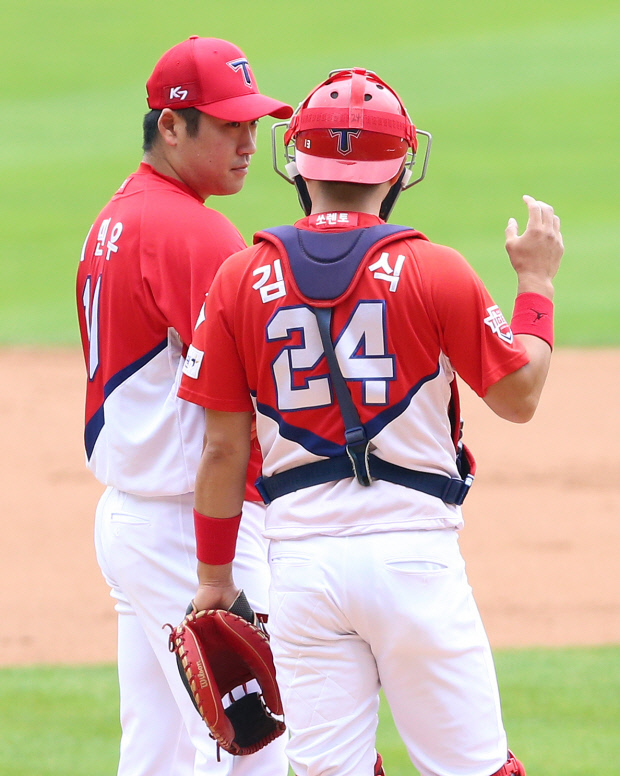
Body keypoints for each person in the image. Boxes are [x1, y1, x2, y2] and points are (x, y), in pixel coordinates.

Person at [177, 68, 563, 776]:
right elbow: (521, 396)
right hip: (414, 561)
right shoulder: (437, 270)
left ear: (296, 164)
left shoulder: (239, 278)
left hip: (301, 568)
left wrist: (214, 579)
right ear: (401, 169)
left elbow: (223, 450)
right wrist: (535, 284)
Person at [76, 36, 293, 776]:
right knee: (253, 747)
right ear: (171, 126)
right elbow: (255, 396)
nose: (248, 142)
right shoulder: (193, 233)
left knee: (159, 752)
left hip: (135, 517)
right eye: (229, 125)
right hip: (188, 526)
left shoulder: (118, 216)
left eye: (252, 124)